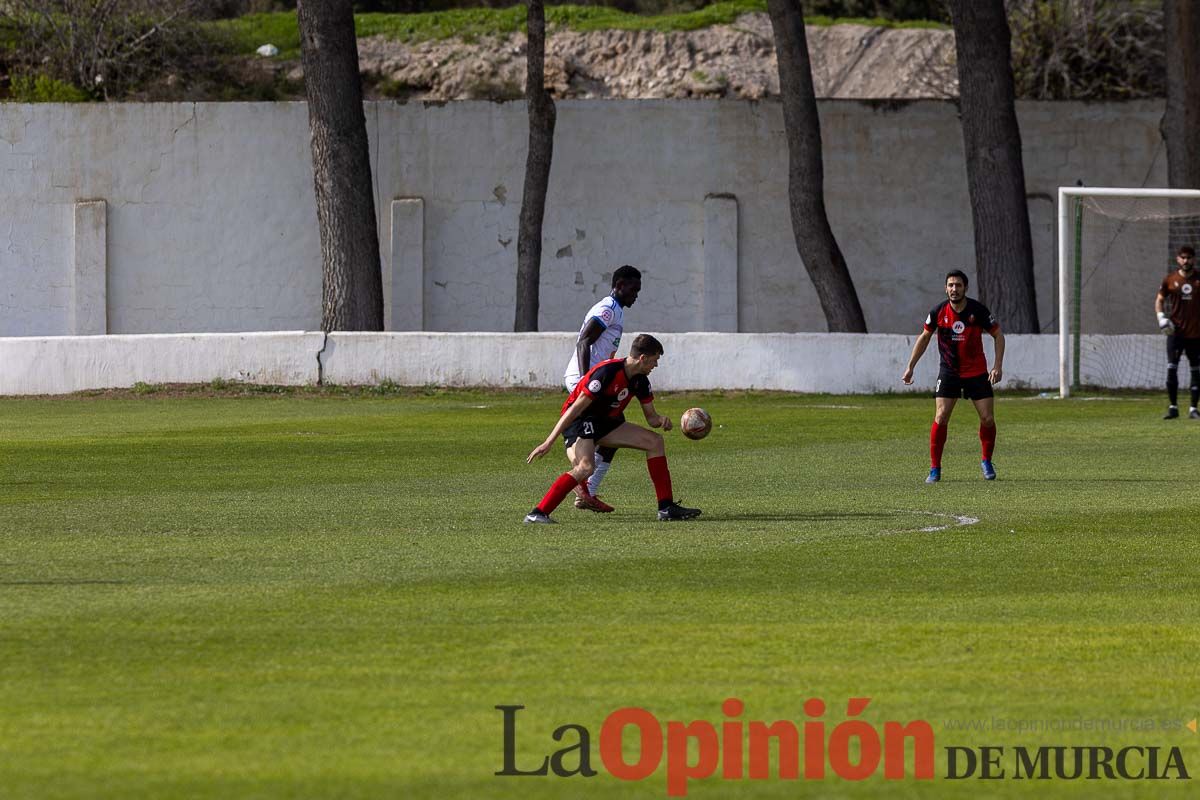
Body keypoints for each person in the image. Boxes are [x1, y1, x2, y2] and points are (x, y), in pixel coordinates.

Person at [526, 333, 701, 523]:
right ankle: (538, 513)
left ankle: (666, 507)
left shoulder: (640, 380)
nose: (656, 365)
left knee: (655, 442)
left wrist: (661, 420)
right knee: (585, 467)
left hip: (606, 421)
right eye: (654, 360)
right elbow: (575, 409)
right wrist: (548, 442)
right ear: (642, 358)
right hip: (580, 420)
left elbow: (651, 418)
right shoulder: (607, 373)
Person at [901, 270, 1005, 483]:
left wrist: (997, 366)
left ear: (965, 288)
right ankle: (935, 468)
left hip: (976, 372)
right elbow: (924, 337)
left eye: (958, 285)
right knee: (940, 416)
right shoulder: (938, 311)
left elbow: (998, 335)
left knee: (987, 419)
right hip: (949, 372)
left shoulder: (978, 310)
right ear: (945, 288)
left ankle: (986, 460)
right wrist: (910, 366)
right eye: (950, 285)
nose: (954, 289)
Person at [562, 265, 642, 513]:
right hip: (586, 382)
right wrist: (587, 380)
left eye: (638, 290)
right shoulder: (607, 309)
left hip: (595, 382)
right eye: (632, 288)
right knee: (607, 431)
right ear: (619, 285)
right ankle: (583, 487)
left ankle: (585, 490)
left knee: (609, 434)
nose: (636, 294)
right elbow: (585, 340)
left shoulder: (616, 310)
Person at [1155, 244, 1200, 419]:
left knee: (1196, 370)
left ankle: (1193, 409)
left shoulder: (1198, 280)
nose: (1186, 261)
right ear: (1178, 259)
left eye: (1189, 257)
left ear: (1193, 259)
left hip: (1196, 334)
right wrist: (1161, 318)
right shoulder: (1169, 280)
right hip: (1176, 333)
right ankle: (1173, 408)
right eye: (1183, 257)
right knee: (1171, 369)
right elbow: (1159, 300)